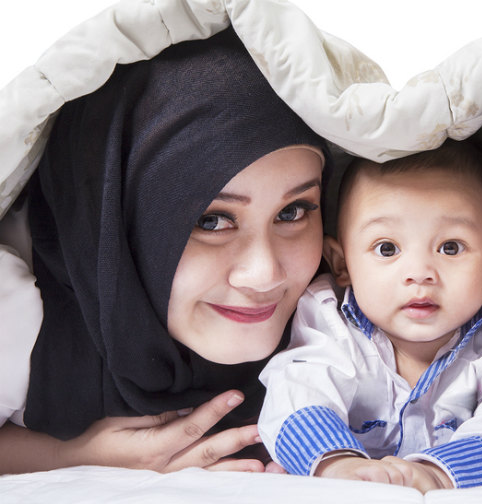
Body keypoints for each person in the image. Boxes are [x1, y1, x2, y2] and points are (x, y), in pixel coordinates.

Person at [0, 29, 331, 474]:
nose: (264, 274)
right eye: (211, 220)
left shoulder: (353, 303)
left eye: (293, 212)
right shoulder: (17, 315)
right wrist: (74, 458)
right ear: (116, 222)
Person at [258, 140, 482, 492]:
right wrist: (335, 464)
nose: (420, 273)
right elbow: (297, 390)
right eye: (387, 248)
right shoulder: (331, 324)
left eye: (450, 247)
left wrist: (437, 473)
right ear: (341, 264)